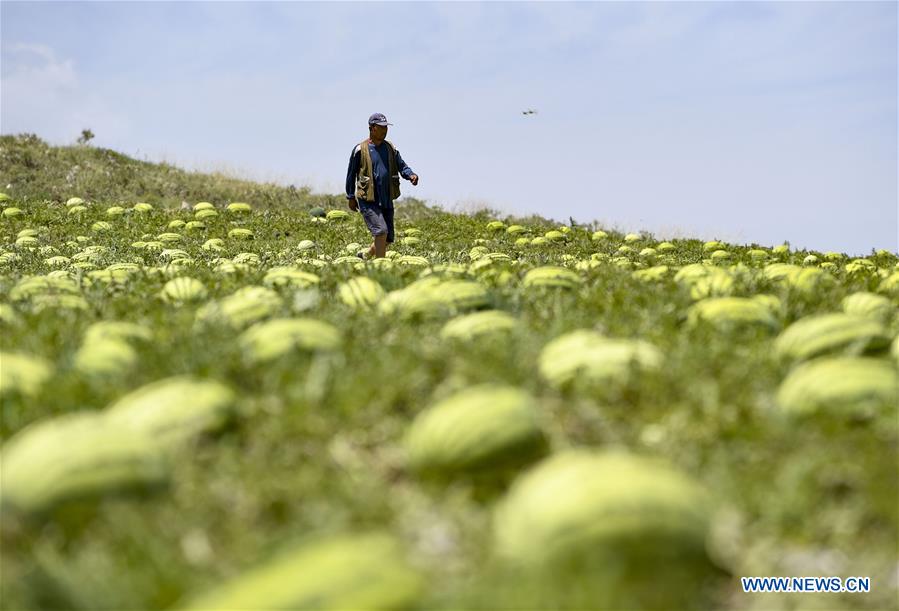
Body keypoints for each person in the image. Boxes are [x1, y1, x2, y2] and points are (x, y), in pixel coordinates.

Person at [345, 113, 419, 258]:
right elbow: (350, 174)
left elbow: (402, 166)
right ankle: (380, 264)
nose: (385, 131)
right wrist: (350, 196)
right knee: (381, 231)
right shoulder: (360, 150)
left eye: (386, 128)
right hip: (368, 200)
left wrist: (410, 175)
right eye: (381, 128)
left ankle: (365, 256)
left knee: (388, 238)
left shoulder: (390, 148)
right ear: (372, 128)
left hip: (386, 198)